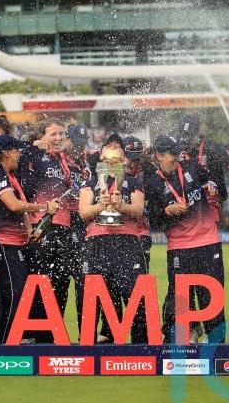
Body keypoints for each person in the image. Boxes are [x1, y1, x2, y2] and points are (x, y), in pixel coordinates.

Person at [145, 134, 225, 344]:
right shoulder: (152, 182)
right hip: (179, 246)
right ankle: (187, 334)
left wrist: (212, 183)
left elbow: (217, 182)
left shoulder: (193, 167)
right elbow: (154, 220)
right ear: (159, 156)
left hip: (208, 240)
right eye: (171, 154)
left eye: (177, 152)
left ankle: (217, 344)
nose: (176, 157)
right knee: (181, 298)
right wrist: (167, 211)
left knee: (212, 296)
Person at [0, 134, 60, 343]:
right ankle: (5, 343)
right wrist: (45, 207)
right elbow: (14, 205)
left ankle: (21, 338)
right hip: (3, 244)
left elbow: (21, 207)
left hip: (18, 242)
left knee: (27, 292)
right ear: (7, 153)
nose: (20, 155)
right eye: (16, 150)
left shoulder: (10, 174)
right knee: (14, 295)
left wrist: (30, 231)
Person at [78, 134, 148, 343]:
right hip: (97, 240)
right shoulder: (91, 181)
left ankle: (142, 343)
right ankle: (89, 343)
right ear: (101, 156)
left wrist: (121, 206)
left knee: (134, 292)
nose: (113, 152)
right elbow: (83, 212)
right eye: (109, 148)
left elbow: (138, 210)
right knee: (94, 293)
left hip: (127, 240)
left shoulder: (133, 181)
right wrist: (101, 205)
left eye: (117, 149)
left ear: (123, 157)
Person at [20, 119, 85, 342]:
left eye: (61, 134)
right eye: (53, 134)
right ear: (42, 137)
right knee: (40, 280)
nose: (58, 138)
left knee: (61, 281)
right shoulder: (33, 155)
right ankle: (31, 333)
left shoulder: (64, 159)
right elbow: (20, 174)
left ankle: (51, 333)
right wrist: (32, 147)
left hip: (63, 226)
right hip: (41, 225)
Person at [123, 135, 152, 269]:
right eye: (131, 158)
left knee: (141, 276)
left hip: (141, 232)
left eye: (137, 159)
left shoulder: (149, 172)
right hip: (119, 232)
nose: (134, 163)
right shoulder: (112, 174)